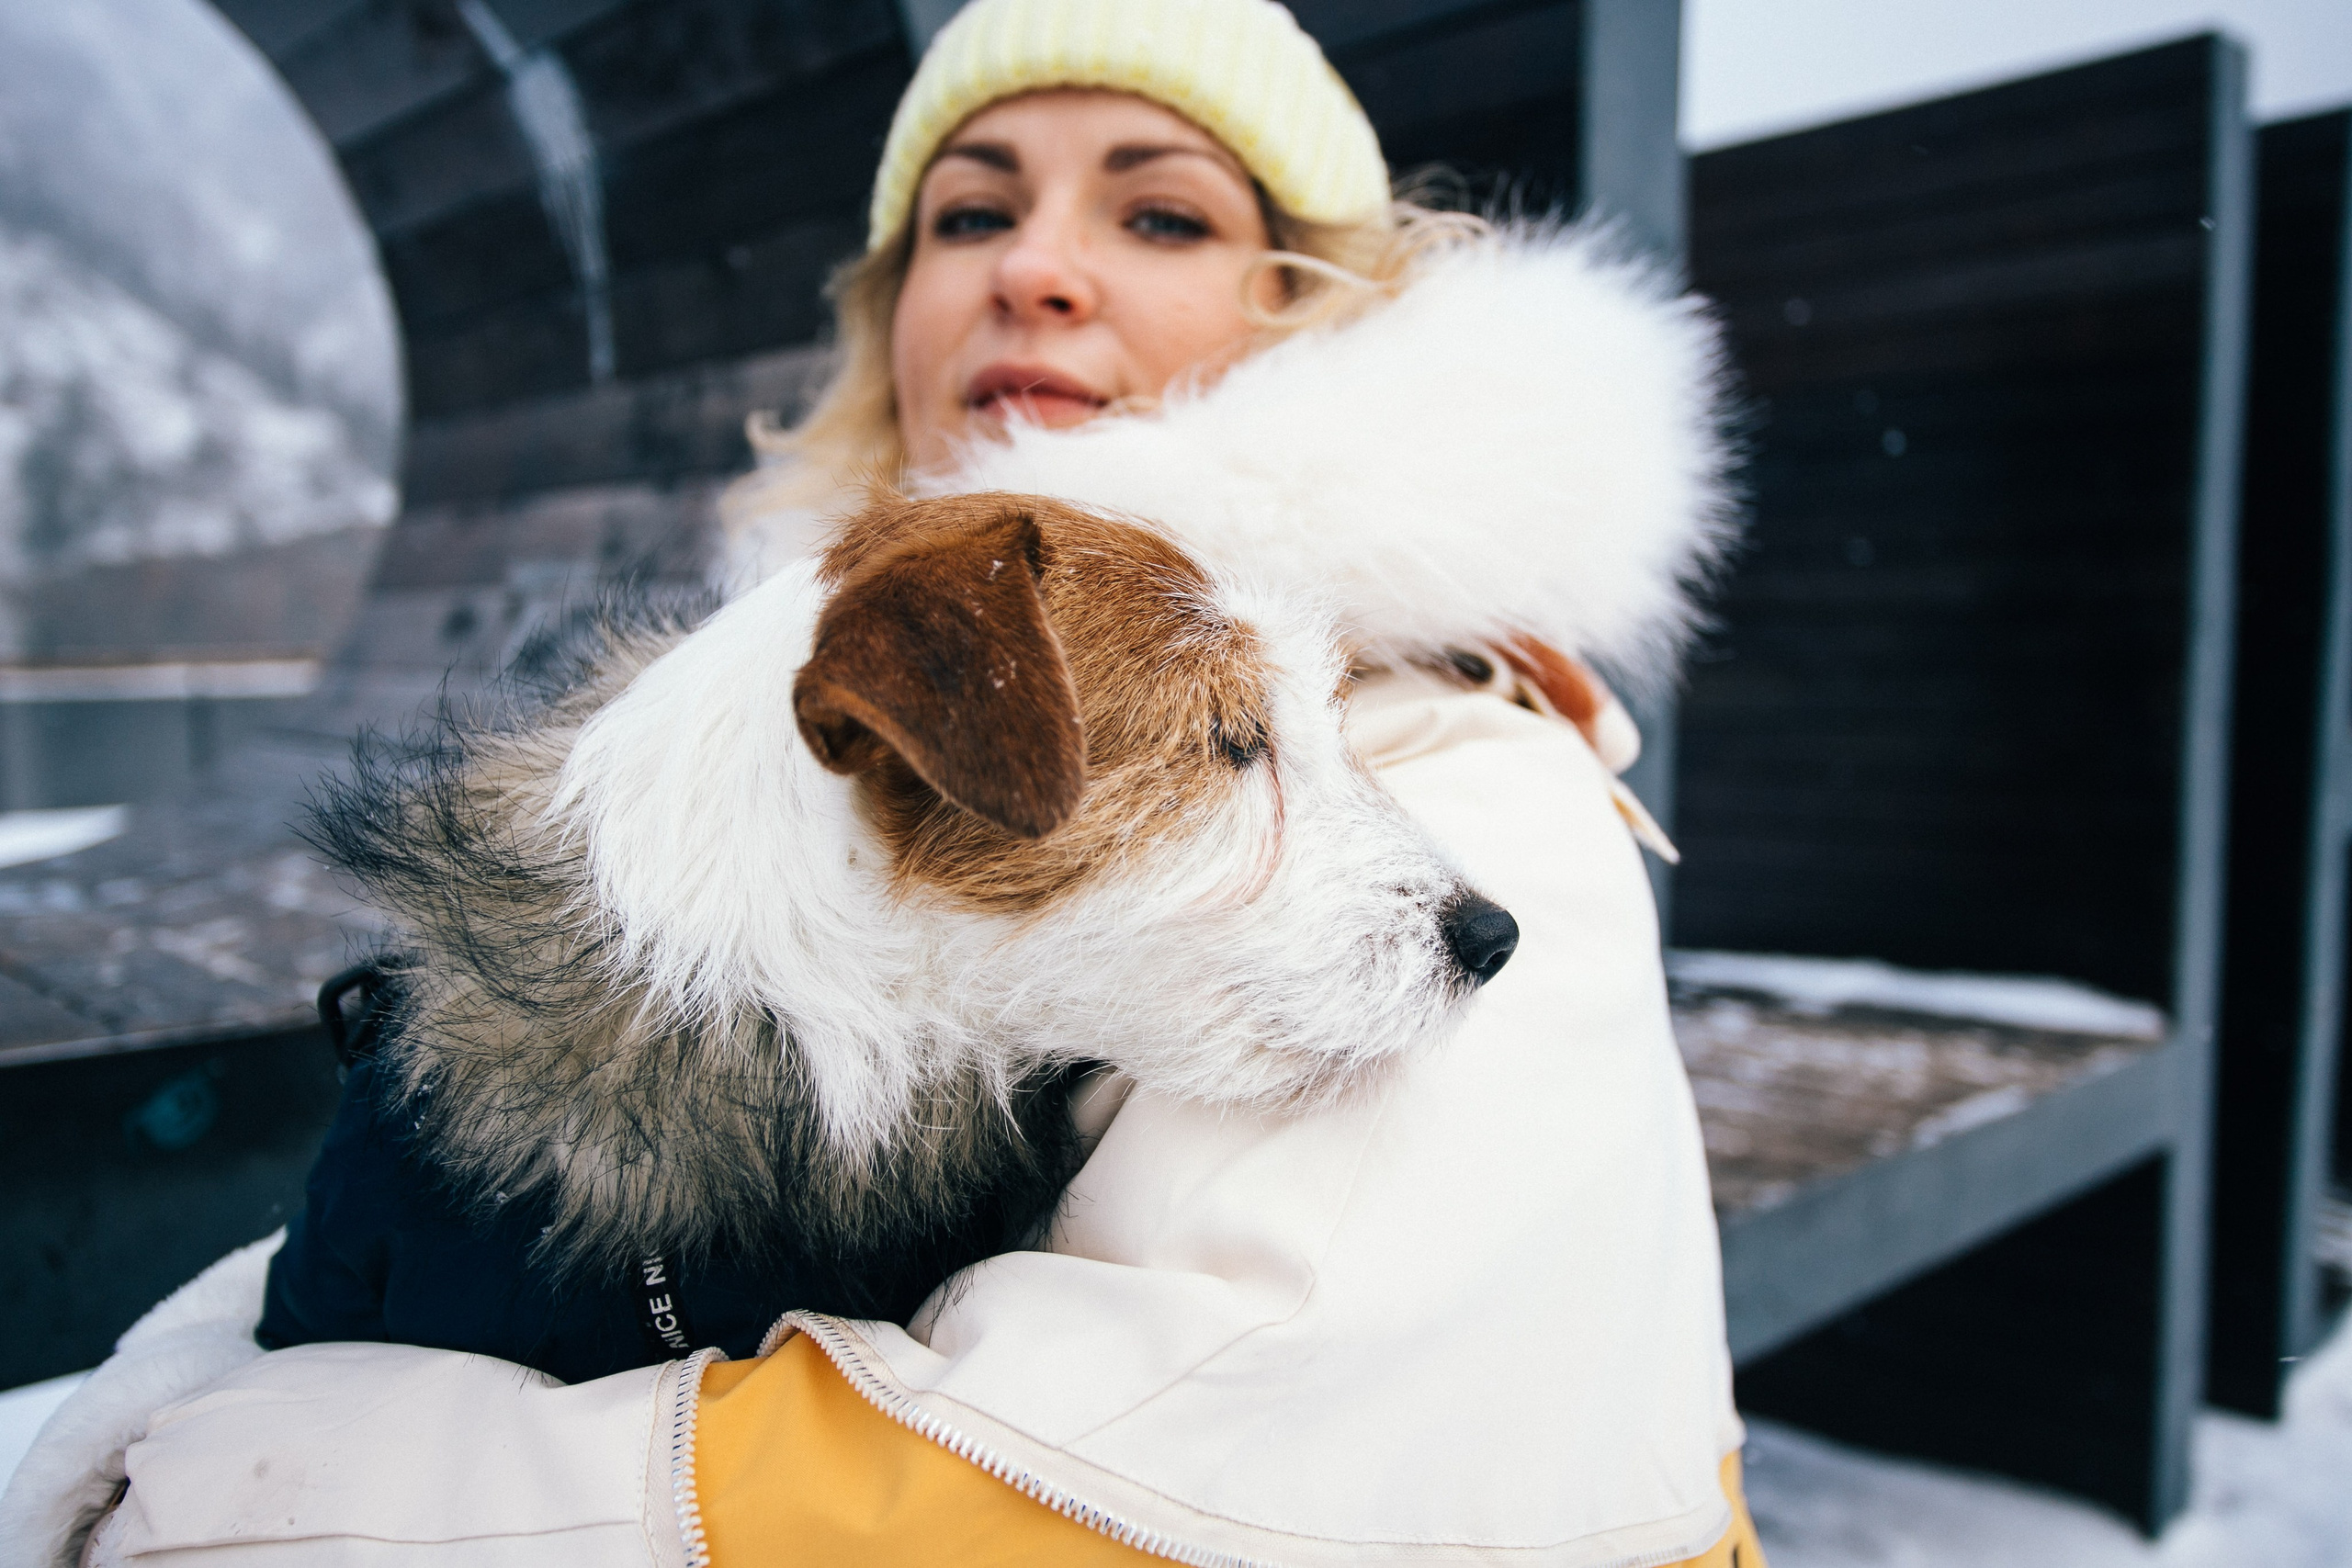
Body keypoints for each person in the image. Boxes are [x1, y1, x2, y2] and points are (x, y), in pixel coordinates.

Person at [1, 0, 1759, 1562]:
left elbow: (1146, 1482)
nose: (1035, 268)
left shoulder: (1467, 773)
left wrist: (278, 1487)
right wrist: (207, 1369)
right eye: (969, 214)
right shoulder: (811, 714)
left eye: (1158, 213)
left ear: (1320, 312)